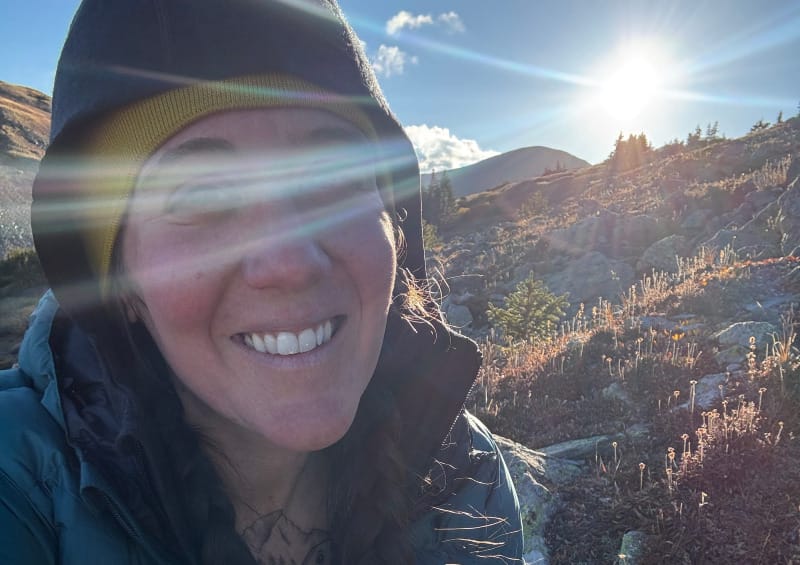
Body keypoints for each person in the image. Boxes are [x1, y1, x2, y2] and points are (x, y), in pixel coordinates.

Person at [0, 1, 523, 563]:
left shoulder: (464, 470)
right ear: (118, 285)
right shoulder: (19, 484)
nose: (290, 262)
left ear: (395, 227)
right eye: (202, 198)